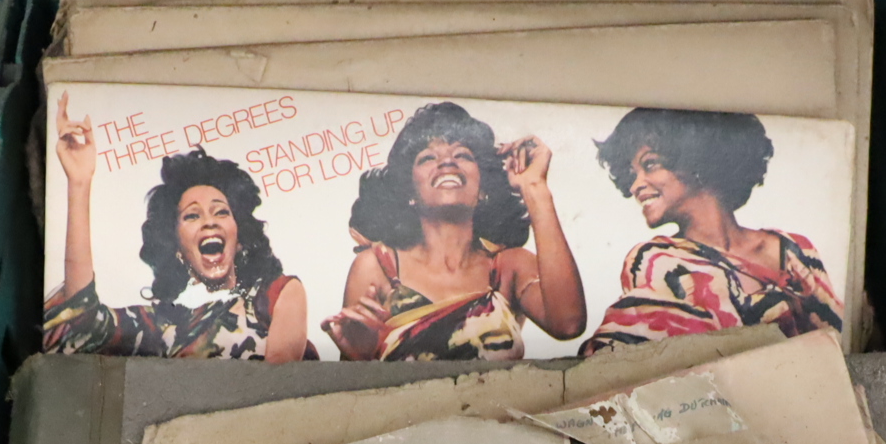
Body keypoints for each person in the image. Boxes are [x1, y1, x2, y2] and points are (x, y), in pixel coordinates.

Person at [43, 95, 309, 360]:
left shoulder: (276, 294)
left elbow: (282, 385)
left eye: (221, 211)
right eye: (192, 216)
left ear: (239, 238)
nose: (209, 220)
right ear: (177, 249)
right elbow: (81, 319)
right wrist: (79, 183)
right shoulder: (161, 324)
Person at [327, 101, 586, 361]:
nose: (447, 161)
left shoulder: (508, 267)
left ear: (483, 188)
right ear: (410, 194)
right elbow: (355, 387)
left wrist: (534, 186)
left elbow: (568, 324)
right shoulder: (376, 267)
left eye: (463, 155)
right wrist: (359, 355)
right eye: (427, 158)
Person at [585, 108, 845, 353]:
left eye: (650, 164)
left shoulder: (793, 249)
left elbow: (840, 344)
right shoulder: (654, 260)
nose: (635, 186)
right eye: (632, 174)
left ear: (693, 160)